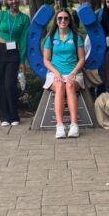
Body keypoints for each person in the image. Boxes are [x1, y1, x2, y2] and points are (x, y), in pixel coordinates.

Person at [0, 0, 30, 127]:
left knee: (10, 85)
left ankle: (13, 115)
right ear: (6, 1)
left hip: (13, 54)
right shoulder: (1, 15)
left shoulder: (24, 19)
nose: (13, 1)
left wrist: (22, 60)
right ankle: (3, 116)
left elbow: (23, 41)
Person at [43, 8, 85, 139]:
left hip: (73, 72)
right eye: (60, 18)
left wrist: (73, 72)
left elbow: (82, 59)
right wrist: (56, 72)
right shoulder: (50, 38)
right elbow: (46, 60)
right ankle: (60, 125)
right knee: (60, 86)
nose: (63, 20)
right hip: (55, 73)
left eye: (66, 18)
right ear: (56, 21)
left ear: (69, 20)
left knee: (70, 85)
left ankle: (74, 125)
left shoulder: (76, 37)